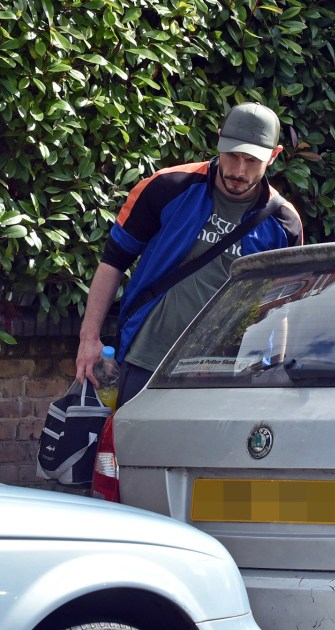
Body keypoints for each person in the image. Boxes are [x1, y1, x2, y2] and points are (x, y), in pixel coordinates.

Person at [75, 102, 303, 408]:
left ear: (274, 156)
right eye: (232, 155)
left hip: (224, 375)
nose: (238, 170)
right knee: (125, 453)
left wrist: (273, 369)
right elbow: (113, 262)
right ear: (219, 140)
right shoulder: (168, 187)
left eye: (251, 160)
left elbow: (281, 305)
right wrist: (88, 339)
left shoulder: (284, 224)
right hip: (147, 358)